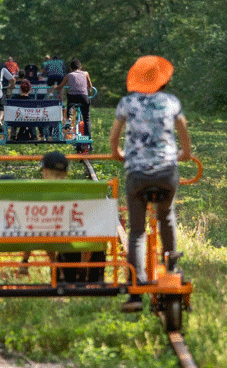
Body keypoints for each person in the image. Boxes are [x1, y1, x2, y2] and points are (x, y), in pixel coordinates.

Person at [109, 55, 192, 313]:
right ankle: (171, 269)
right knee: (166, 216)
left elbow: (114, 137)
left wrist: (118, 153)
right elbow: (184, 134)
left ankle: (135, 289)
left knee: (136, 231)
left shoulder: (127, 102)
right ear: (163, 81)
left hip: (137, 174)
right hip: (167, 171)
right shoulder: (172, 102)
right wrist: (185, 154)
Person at [17, 151, 70, 274]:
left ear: (44, 171)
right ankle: (56, 266)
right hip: (69, 232)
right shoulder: (71, 191)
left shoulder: (39, 192)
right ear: (66, 173)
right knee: (46, 228)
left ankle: (26, 261)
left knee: (37, 225)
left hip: (45, 231)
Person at [56, 59, 93, 142]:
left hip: (73, 97)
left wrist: (54, 87)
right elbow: (90, 86)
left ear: (71, 68)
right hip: (84, 97)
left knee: (70, 103)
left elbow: (60, 86)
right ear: (80, 68)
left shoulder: (69, 75)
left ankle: (69, 119)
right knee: (86, 118)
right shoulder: (86, 73)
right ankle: (89, 139)